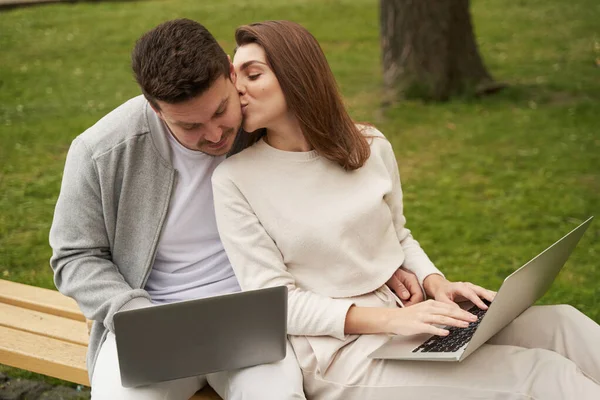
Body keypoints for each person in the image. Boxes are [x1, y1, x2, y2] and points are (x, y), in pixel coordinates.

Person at [212, 20, 600, 399]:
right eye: (236, 76)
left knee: (563, 325)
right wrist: (392, 320)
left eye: (253, 74)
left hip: (412, 316)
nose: (238, 89)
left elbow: (397, 234)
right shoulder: (235, 179)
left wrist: (435, 283)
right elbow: (276, 303)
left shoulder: (368, 144)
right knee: (541, 376)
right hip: (342, 352)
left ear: (298, 74)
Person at [49, 19, 311, 400]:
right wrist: (135, 313)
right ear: (155, 109)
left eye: (221, 110)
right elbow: (74, 255)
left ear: (229, 68)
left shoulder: (265, 125)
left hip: (251, 321)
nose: (215, 134)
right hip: (151, 325)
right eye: (190, 126)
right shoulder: (100, 152)